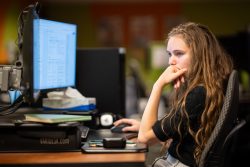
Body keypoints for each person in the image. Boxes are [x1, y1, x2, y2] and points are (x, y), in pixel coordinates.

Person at [113, 22, 233, 167]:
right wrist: (148, 128)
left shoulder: (198, 94)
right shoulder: (209, 87)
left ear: (199, 55)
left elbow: (144, 138)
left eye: (179, 53)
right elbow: (179, 137)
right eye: (169, 54)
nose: (171, 61)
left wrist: (158, 84)